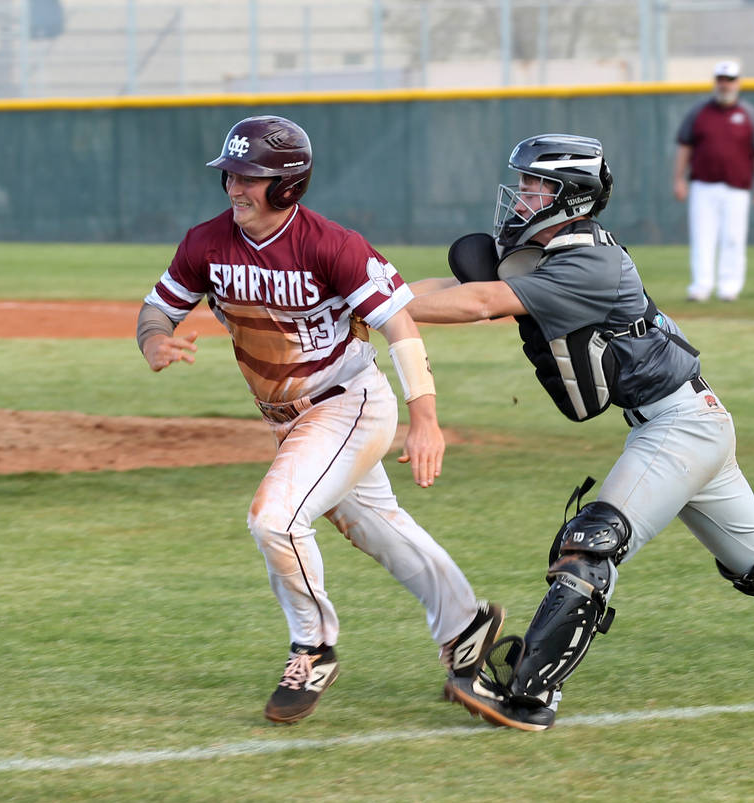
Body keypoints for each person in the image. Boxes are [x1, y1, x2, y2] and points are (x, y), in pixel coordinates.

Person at [405, 132, 754, 731]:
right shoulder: (553, 249)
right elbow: (452, 287)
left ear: (571, 198)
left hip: (680, 424)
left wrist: (375, 307)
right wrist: (370, 296)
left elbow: (481, 303)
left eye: (536, 187)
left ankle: (531, 695)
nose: (520, 197)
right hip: (688, 420)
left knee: (591, 545)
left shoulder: (589, 262)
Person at [136, 115, 504, 725]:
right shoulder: (206, 243)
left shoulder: (331, 244)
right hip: (290, 418)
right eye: (229, 173)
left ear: (287, 185)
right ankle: (467, 623)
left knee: (274, 519)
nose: (233, 187)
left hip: (348, 403)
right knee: (380, 528)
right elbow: (158, 309)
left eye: (249, 177)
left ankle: (313, 646)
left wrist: (426, 418)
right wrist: (154, 340)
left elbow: (400, 324)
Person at [673, 59, 754, 302]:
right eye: (721, 80)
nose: (725, 85)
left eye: (730, 80)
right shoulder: (699, 112)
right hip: (703, 185)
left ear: (738, 83)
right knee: (702, 236)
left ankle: (730, 287)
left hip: (737, 188)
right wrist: (678, 179)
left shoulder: (748, 115)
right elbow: (684, 147)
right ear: (715, 82)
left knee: (734, 238)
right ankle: (701, 286)